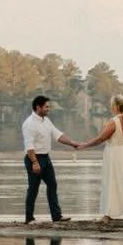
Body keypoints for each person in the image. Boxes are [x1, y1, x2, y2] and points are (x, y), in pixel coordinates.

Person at [77, 92, 123, 224]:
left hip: (114, 154)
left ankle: (107, 214)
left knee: (110, 181)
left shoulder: (114, 121)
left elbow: (101, 138)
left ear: (115, 106)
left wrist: (85, 145)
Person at [22, 94, 78, 224]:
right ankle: (29, 218)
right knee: (33, 189)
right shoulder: (29, 124)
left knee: (52, 185)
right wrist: (35, 162)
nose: (49, 109)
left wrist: (72, 143)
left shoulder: (46, 120)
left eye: (49, 107)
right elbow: (29, 146)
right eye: (46, 107)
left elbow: (58, 135)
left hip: (46, 158)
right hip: (34, 158)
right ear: (38, 107)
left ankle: (56, 216)